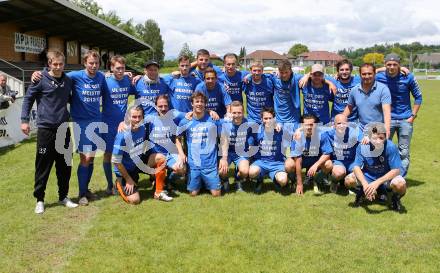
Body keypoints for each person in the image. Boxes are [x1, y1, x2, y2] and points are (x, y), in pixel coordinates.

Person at [21, 50, 78, 214]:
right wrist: (24, 120)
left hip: (63, 129)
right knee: (43, 166)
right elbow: (28, 99)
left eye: (61, 64)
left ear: (64, 64)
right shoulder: (39, 79)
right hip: (46, 130)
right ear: (49, 64)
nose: (58, 67)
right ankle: (39, 200)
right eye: (55, 64)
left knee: (65, 165)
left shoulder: (68, 81)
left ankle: (64, 196)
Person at [375, 53, 422, 177]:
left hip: (405, 120)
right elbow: (366, 73)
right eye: (389, 64)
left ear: (399, 65)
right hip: (386, 120)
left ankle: (399, 179)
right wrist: (381, 68)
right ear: (385, 65)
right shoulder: (379, 77)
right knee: (381, 149)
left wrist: (412, 116)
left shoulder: (408, 77)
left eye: (395, 64)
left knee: (403, 152)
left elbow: (418, 97)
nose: (391, 67)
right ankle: (384, 178)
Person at [345, 123, 407, 212]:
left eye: (381, 138)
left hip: (386, 178)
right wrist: (365, 184)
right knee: (348, 181)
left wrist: (377, 183)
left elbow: (396, 170)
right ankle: (361, 193)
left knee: (400, 185)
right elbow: (356, 167)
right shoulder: (363, 146)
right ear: (369, 138)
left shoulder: (391, 147)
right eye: (374, 138)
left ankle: (394, 199)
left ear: (386, 138)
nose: (378, 141)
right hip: (368, 176)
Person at [101, 55, 136, 195]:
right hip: (108, 124)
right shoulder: (105, 81)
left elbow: (137, 89)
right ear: (111, 68)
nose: (120, 71)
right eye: (117, 68)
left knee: (124, 153)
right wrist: (105, 75)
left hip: (124, 124)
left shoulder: (128, 81)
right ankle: (110, 185)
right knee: (108, 154)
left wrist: (137, 77)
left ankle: (121, 180)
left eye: (122, 68)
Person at [144, 95, 187, 201]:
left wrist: (209, 112)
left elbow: (192, 114)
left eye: (165, 106)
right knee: (159, 160)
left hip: (169, 154)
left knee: (182, 169)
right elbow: (133, 121)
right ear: (155, 107)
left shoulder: (174, 117)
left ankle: (167, 180)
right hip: (154, 156)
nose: (163, 109)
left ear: (169, 106)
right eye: (160, 106)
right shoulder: (150, 118)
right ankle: (155, 179)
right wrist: (122, 123)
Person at [178, 92, 221, 197]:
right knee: (193, 194)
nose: (199, 104)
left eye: (202, 101)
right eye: (197, 101)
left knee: (216, 194)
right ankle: (198, 182)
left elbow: (223, 138)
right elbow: (177, 138)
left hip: (210, 165)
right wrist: (181, 154)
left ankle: (212, 181)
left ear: (205, 104)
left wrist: (223, 158)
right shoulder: (185, 121)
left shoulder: (213, 119)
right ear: (192, 104)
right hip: (194, 165)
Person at [285, 114, 333, 195]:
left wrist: (316, 165)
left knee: (329, 164)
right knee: (288, 165)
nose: (309, 127)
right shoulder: (297, 137)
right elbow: (298, 160)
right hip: (302, 161)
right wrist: (299, 183)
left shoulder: (322, 135)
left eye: (311, 124)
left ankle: (317, 179)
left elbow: (327, 153)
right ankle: (294, 180)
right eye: (306, 125)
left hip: (315, 161)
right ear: (302, 126)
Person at [343, 63, 392, 139]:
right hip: (362, 129)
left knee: (386, 149)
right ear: (360, 75)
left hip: (378, 129)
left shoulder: (383, 89)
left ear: (375, 73)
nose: (367, 76)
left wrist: (387, 129)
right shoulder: (354, 90)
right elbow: (349, 107)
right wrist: (340, 120)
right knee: (359, 148)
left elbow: (386, 112)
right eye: (364, 74)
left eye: (369, 73)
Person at [248, 107, 289, 194]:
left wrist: (279, 125)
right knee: (251, 172)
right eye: (265, 118)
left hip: (277, 163)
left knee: (283, 180)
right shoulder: (257, 131)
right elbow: (250, 145)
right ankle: (259, 180)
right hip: (261, 162)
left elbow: (291, 135)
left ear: (274, 119)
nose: (268, 121)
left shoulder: (280, 130)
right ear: (261, 119)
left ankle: (275, 180)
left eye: (270, 118)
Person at [112, 106, 146, 205]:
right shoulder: (122, 135)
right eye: (134, 117)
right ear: (128, 117)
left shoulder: (143, 127)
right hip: (124, 170)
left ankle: (158, 184)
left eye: (140, 117)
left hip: (136, 165)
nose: (137, 120)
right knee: (135, 200)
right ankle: (118, 184)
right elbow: (115, 161)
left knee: (159, 159)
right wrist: (128, 179)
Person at [218, 101, 253, 192]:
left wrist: (250, 145)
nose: (236, 115)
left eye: (239, 113)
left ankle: (238, 179)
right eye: (234, 113)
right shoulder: (224, 123)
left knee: (245, 171)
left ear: (243, 112)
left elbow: (251, 136)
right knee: (221, 170)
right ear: (230, 112)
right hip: (228, 152)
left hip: (241, 152)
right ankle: (225, 181)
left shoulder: (248, 123)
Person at [322, 114, 359, 193]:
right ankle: (334, 182)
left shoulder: (355, 132)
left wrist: (366, 137)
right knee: (339, 173)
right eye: (339, 123)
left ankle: (350, 185)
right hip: (338, 162)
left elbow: (366, 139)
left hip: (352, 162)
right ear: (334, 125)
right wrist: (299, 130)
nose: (341, 126)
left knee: (360, 174)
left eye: (344, 123)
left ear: (347, 124)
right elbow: (314, 129)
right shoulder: (328, 133)